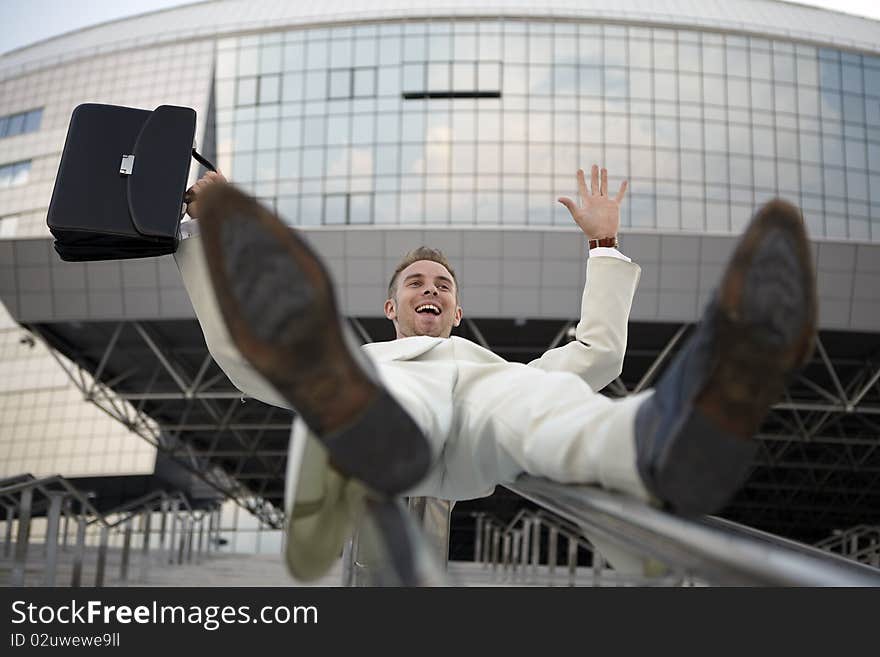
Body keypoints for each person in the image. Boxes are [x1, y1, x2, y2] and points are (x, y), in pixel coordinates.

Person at [178, 166, 816, 581]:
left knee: (542, 407)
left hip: (467, 428)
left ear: (457, 311)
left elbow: (595, 354)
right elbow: (243, 356)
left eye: (443, 286)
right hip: (374, 423)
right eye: (416, 284)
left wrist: (603, 247)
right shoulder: (364, 360)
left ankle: (653, 436)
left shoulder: (490, 371)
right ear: (391, 307)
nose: (430, 290)